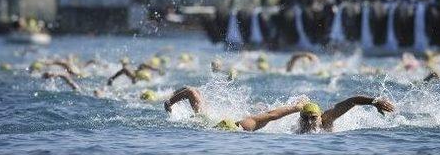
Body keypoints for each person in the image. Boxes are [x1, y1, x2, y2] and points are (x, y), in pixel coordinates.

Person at [163, 86, 394, 133]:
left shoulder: (326, 120)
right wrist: (295, 108)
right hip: (221, 125)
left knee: (194, 96)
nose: (311, 123)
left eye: (313, 118)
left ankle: (173, 99)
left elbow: (349, 101)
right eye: (307, 118)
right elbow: (272, 115)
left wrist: (374, 101)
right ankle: (172, 99)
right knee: (194, 96)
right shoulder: (239, 127)